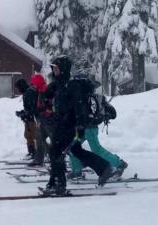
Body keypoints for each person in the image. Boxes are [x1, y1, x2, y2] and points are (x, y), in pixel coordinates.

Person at [43, 55, 117, 195]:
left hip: (68, 126)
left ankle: (58, 183)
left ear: (64, 70)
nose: (55, 72)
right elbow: (48, 96)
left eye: (57, 69)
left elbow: (79, 107)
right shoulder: (60, 84)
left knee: (56, 152)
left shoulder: (72, 86)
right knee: (76, 151)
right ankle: (104, 167)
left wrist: (80, 126)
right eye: (54, 69)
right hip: (62, 125)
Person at [67, 74, 128, 179]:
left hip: (88, 128)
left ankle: (119, 164)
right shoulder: (93, 97)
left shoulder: (82, 97)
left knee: (94, 149)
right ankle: (76, 170)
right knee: (72, 147)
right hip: (87, 127)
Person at [27, 74, 54, 166]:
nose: (33, 85)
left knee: (54, 140)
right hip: (42, 119)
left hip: (49, 120)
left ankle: (57, 160)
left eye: (34, 82)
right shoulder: (39, 90)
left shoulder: (46, 89)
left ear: (38, 82)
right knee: (39, 138)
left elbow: (50, 105)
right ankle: (39, 159)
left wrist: (43, 110)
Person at [14, 78, 37, 160]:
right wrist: (22, 113)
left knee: (36, 136)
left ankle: (43, 153)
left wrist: (24, 114)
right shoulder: (26, 92)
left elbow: (32, 108)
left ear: (22, 86)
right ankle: (31, 152)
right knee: (28, 135)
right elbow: (28, 108)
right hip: (28, 118)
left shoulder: (29, 93)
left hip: (33, 119)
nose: (18, 90)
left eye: (18, 88)